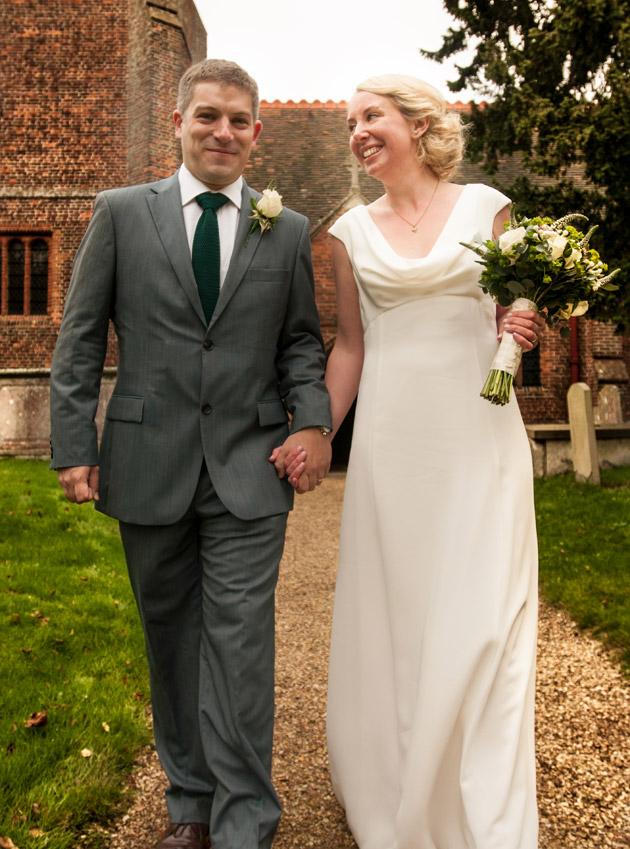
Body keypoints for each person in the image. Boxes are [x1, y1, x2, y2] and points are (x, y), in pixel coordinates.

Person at [49, 59, 332, 849]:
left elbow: (302, 344)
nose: (223, 131)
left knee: (239, 644)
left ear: (256, 134)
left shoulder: (290, 227)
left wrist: (311, 424)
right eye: (208, 116)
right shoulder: (119, 213)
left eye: (239, 120)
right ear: (178, 123)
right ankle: (190, 802)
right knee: (170, 638)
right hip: (146, 461)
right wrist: (74, 442)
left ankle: (246, 822)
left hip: (250, 468)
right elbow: (79, 340)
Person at [279, 75, 544, 849]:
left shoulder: (486, 206)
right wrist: (318, 430)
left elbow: (509, 316)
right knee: (404, 619)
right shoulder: (349, 231)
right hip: (396, 452)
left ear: (419, 123)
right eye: (352, 121)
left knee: (487, 623)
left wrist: (520, 327)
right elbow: (352, 346)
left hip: (479, 439)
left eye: (373, 116)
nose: (358, 130)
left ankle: (487, 813)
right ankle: (400, 795)